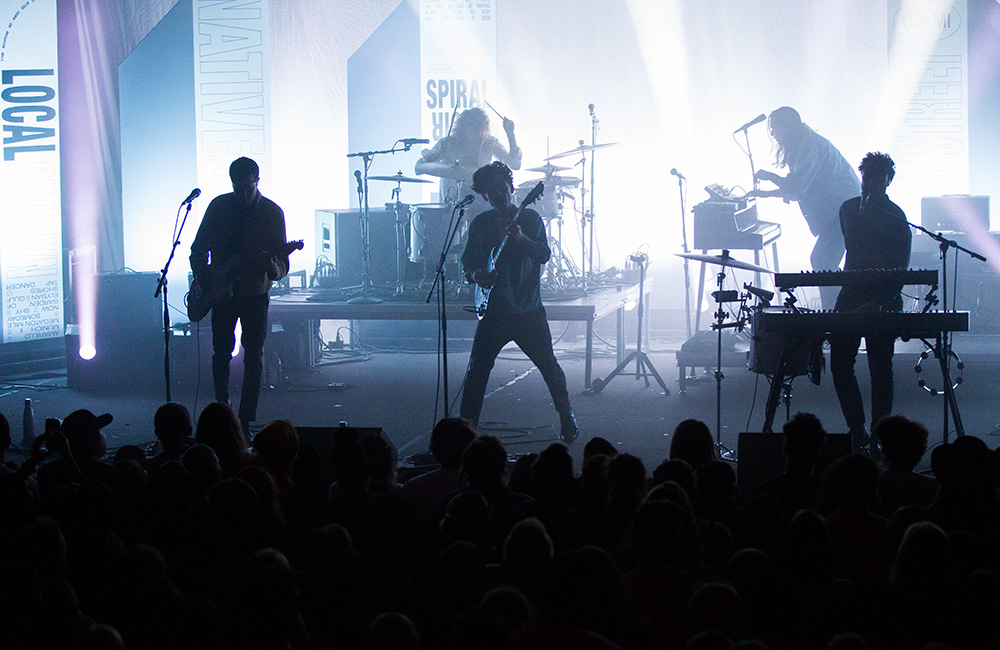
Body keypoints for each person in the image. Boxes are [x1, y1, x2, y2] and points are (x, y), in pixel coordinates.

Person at [459, 161, 578, 442]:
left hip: (527, 308)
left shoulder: (531, 219)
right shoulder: (481, 224)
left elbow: (543, 254)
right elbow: (468, 262)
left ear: (512, 187)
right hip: (493, 311)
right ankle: (464, 431)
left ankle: (567, 416)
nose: (500, 195)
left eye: (503, 188)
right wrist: (477, 275)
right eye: (492, 192)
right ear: (485, 196)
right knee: (477, 373)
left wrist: (521, 238)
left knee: (549, 367)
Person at [190, 157, 289, 433]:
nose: (243, 193)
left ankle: (245, 420)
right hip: (221, 294)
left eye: (248, 187)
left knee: (253, 356)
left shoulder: (271, 213)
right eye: (238, 187)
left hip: (254, 293)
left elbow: (282, 264)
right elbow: (197, 249)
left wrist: (272, 266)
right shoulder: (219, 207)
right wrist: (207, 278)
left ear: (257, 180)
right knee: (220, 353)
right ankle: (223, 411)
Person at [829, 152, 911, 451]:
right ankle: (857, 428)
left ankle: (880, 433)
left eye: (877, 178)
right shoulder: (848, 209)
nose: (869, 182)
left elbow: (899, 267)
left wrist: (881, 299)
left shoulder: (897, 216)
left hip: (883, 298)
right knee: (839, 363)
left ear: (888, 180)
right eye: (866, 176)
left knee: (880, 367)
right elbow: (854, 250)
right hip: (851, 295)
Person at [751, 107, 861, 309]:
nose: (774, 135)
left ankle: (836, 313)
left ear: (789, 126)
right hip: (840, 212)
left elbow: (796, 186)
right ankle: (837, 311)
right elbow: (797, 189)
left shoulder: (810, 147)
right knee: (823, 262)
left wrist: (769, 177)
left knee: (822, 261)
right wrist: (765, 193)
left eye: (776, 129)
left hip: (844, 211)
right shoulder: (806, 145)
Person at [414, 106, 522, 205]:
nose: (476, 133)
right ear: (464, 128)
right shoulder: (448, 143)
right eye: (472, 128)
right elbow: (420, 166)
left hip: (481, 200)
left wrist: (510, 133)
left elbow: (514, 164)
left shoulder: (490, 143)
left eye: (479, 128)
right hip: (451, 200)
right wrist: (436, 154)